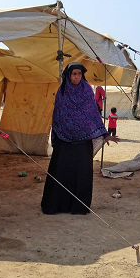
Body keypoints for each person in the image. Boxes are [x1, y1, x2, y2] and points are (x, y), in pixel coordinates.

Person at [41, 62, 120, 215]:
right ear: (68, 75)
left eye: (78, 74)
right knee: (60, 173)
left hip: (82, 144)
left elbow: (93, 115)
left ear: (82, 75)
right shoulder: (62, 91)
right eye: (73, 74)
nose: (76, 77)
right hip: (64, 141)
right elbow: (57, 115)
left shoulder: (87, 91)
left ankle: (78, 207)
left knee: (81, 175)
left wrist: (105, 134)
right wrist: (58, 135)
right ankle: (55, 205)